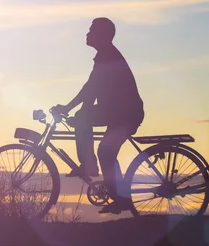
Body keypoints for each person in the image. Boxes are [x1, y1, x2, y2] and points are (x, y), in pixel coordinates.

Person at [53, 17, 144, 214]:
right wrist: (72, 109)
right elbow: (90, 88)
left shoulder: (109, 57)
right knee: (86, 123)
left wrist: (73, 110)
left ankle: (116, 193)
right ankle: (89, 165)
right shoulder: (105, 55)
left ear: (102, 35)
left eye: (91, 30)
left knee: (105, 152)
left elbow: (90, 90)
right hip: (115, 113)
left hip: (125, 115)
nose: (87, 34)